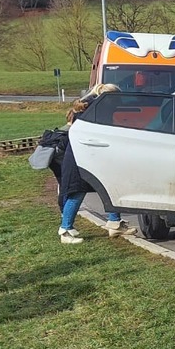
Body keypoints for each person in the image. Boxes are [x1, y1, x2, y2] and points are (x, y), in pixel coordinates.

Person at [52, 83, 136, 244]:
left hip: (91, 153)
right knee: (77, 192)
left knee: (108, 188)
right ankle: (65, 230)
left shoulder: (90, 107)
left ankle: (115, 223)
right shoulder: (96, 110)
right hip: (80, 156)